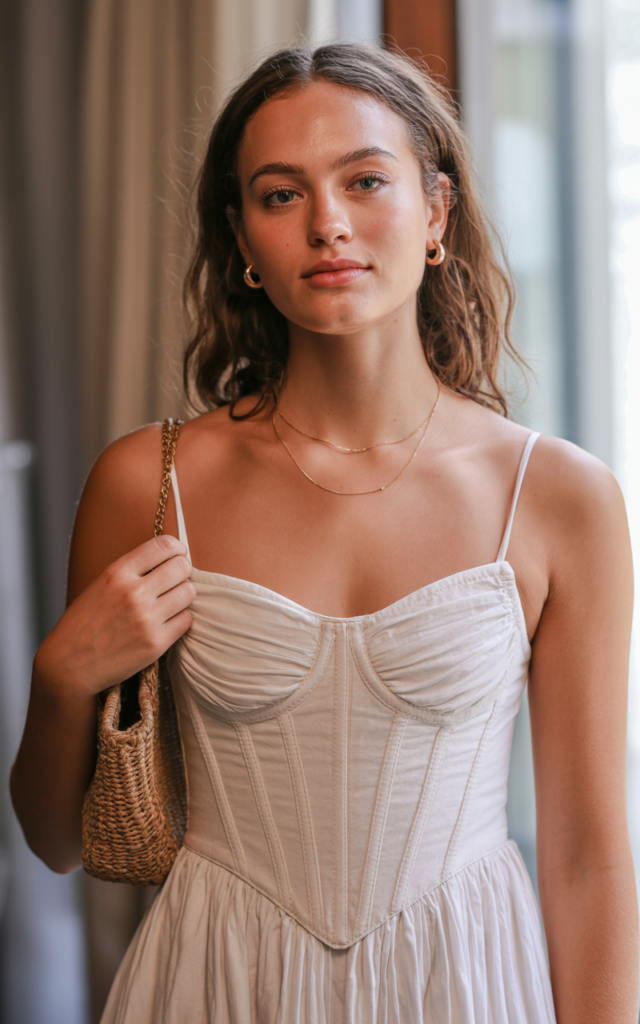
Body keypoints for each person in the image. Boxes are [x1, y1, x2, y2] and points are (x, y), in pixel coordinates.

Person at [10, 43, 639, 1024]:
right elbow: (58, 838)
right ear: (243, 241)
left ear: (435, 213)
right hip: (212, 982)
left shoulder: (557, 497)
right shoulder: (147, 483)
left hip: (463, 983)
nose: (328, 224)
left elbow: (587, 858)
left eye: (365, 180)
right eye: (279, 194)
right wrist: (59, 680)